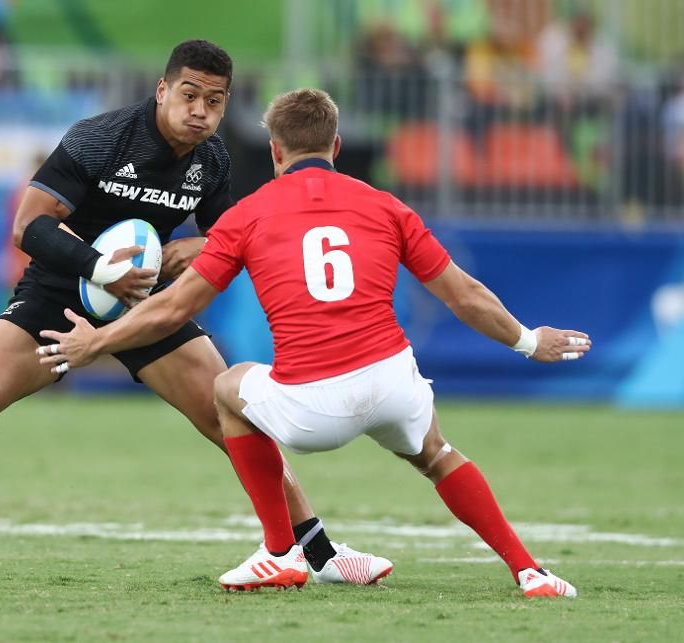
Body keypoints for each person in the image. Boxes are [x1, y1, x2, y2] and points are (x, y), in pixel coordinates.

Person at [38, 88, 590, 597]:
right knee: (438, 455)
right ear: (337, 146)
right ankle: (529, 570)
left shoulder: (249, 215)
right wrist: (527, 340)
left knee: (229, 386)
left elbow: (176, 307)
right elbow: (464, 295)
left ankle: (280, 551)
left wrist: (98, 342)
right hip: (393, 381)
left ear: (275, 150)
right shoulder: (385, 205)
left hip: (313, 409)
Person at [0, 41, 391, 586]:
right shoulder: (100, 138)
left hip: (145, 303)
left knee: (235, 415)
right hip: (60, 293)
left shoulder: (212, 159)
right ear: (162, 90)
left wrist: (197, 249)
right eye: (190, 95)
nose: (200, 111)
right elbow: (28, 226)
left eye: (215, 102)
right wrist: (100, 267)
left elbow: (235, 236)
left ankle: (319, 552)